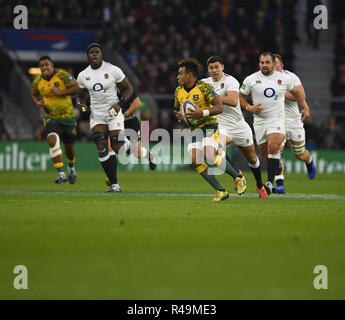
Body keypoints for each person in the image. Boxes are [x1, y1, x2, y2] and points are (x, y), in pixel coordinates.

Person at [174, 58, 247, 202]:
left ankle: (238, 177)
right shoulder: (178, 91)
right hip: (194, 129)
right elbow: (179, 109)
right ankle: (221, 191)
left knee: (209, 154)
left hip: (209, 125)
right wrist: (181, 116)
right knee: (195, 159)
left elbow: (219, 107)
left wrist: (203, 113)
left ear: (190, 75)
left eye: (181, 74)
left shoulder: (204, 88)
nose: (178, 77)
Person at [202, 55, 268, 198]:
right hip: (220, 126)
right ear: (208, 70)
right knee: (215, 151)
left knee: (252, 159)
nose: (214, 70)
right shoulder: (203, 84)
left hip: (239, 126)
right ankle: (236, 174)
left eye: (217, 67)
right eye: (211, 68)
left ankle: (259, 185)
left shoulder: (230, 81)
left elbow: (233, 100)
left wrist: (211, 98)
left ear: (222, 67)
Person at [239, 52, 305, 194]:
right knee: (265, 155)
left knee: (274, 146)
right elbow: (240, 97)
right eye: (262, 63)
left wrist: (302, 103)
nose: (265, 65)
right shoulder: (251, 79)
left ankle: (269, 183)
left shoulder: (284, 78)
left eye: (267, 62)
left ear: (273, 63)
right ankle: (276, 168)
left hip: (277, 119)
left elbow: (298, 93)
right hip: (260, 121)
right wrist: (250, 108)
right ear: (259, 64)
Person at [76, 42, 134, 192]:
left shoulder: (113, 70)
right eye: (91, 53)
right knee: (101, 146)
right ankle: (115, 185)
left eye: (97, 52)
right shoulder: (83, 75)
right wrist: (81, 105)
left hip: (114, 111)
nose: (94, 54)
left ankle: (128, 144)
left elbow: (128, 89)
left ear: (101, 55)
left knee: (118, 147)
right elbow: (80, 97)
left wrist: (119, 105)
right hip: (97, 114)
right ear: (88, 56)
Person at [272, 54, 317, 194]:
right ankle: (280, 184)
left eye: (276, 64)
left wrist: (305, 107)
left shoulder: (291, 77)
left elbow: (299, 96)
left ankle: (309, 162)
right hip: (277, 120)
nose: (274, 67)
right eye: (271, 65)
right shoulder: (264, 80)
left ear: (282, 65)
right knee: (277, 150)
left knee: (299, 153)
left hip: (293, 120)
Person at [31, 55, 78, 184]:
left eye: (46, 64)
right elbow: (33, 93)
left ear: (52, 65)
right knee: (52, 140)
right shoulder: (38, 81)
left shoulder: (62, 75)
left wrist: (60, 93)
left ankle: (71, 167)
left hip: (68, 117)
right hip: (50, 117)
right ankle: (61, 174)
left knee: (69, 146)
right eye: (41, 65)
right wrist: (37, 102)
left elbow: (76, 87)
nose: (44, 67)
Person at [105, 91, 156, 187]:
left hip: (130, 122)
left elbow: (137, 103)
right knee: (110, 147)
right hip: (114, 122)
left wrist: (124, 115)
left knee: (138, 153)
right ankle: (112, 178)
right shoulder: (106, 87)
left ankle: (149, 154)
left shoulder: (124, 87)